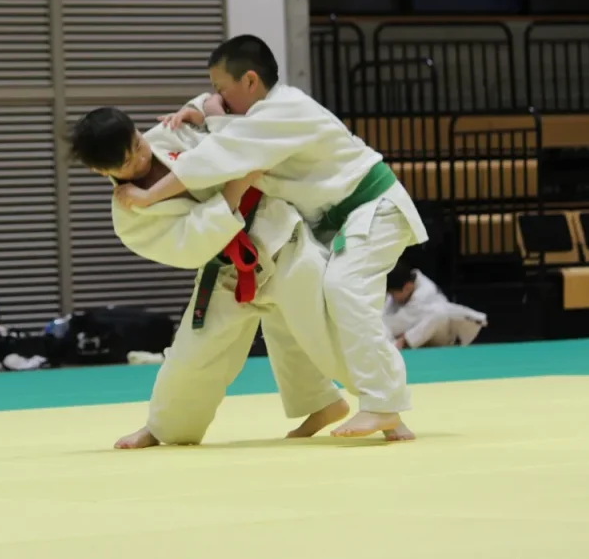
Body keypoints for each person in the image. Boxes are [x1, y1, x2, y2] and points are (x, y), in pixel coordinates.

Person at [114, 35, 427, 438]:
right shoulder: (225, 120)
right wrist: (202, 110)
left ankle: (385, 406)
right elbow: (220, 127)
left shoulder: (282, 109)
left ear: (249, 81)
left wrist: (149, 194)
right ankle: (320, 403)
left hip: (356, 212)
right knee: (246, 339)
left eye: (221, 89)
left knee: (340, 294)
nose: (216, 97)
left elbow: (221, 152)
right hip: (235, 259)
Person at [70, 107, 371, 449]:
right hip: (227, 269)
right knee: (192, 355)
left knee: (326, 324)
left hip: (281, 236)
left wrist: (201, 111)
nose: (141, 158)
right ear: (101, 171)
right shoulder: (129, 217)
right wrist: (236, 187)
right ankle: (165, 428)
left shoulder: (172, 134)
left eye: (138, 143)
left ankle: (381, 403)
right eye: (127, 162)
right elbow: (191, 246)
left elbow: (231, 125)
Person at [383, 262, 485, 349]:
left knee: (439, 313)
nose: (392, 297)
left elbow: (399, 322)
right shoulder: (403, 286)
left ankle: (403, 342)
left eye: (393, 294)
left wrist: (402, 337)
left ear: (407, 287)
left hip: (441, 338)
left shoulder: (425, 293)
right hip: (414, 333)